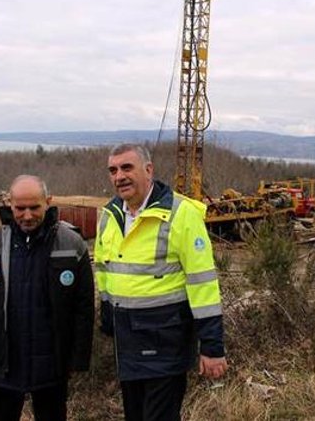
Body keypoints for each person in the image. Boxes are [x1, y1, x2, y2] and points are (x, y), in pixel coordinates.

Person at [94, 144, 228, 421]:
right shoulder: (110, 216)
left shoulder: (180, 213)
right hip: (127, 340)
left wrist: (212, 346)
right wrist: (108, 315)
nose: (119, 176)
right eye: (113, 170)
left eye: (127, 167)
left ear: (149, 170)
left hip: (166, 339)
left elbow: (202, 283)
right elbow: (104, 270)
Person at [0, 175, 94, 421]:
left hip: (52, 367)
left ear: (48, 202)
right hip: (4, 365)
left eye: (34, 207)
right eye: (20, 208)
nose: (27, 215)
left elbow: (84, 307)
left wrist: (77, 359)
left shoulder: (71, 244)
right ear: (10, 204)